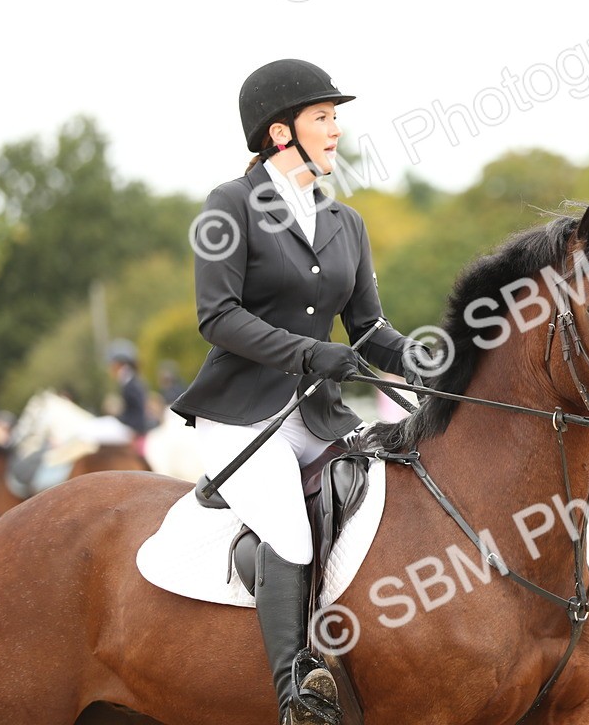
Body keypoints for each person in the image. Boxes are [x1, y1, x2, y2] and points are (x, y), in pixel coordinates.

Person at [170, 59, 430, 725]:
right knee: (288, 525)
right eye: (324, 117)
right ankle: (295, 699)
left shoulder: (345, 222)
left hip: (319, 416)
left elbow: (369, 329)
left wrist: (430, 362)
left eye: (336, 117)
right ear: (280, 132)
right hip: (244, 413)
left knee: (391, 500)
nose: (337, 130)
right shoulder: (229, 206)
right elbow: (218, 316)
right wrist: (313, 352)